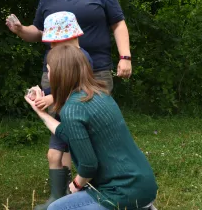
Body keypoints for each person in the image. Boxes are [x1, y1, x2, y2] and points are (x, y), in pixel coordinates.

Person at [25, 44, 157, 210]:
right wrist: (41, 113)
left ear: (59, 74)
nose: (48, 74)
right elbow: (67, 133)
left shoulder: (72, 109)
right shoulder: (98, 94)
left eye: (49, 69)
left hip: (123, 192)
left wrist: (74, 186)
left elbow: (88, 166)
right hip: (143, 183)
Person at [6, 0, 132, 95]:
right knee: (56, 118)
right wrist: (21, 30)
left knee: (96, 116)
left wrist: (125, 57)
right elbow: (40, 32)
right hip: (55, 73)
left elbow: (118, 24)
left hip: (95, 71)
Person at [29, 11, 93, 210]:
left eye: (55, 43)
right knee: (53, 155)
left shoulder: (82, 58)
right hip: (60, 117)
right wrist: (41, 94)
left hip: (78, 118)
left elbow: (80, 89)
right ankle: (56, 197)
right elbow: (55, 87)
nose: (52, 47)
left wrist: (52, 98)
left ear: (71, 38)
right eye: (51, 43)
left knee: (82, 157)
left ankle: (75, 191)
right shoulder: (55, 57)